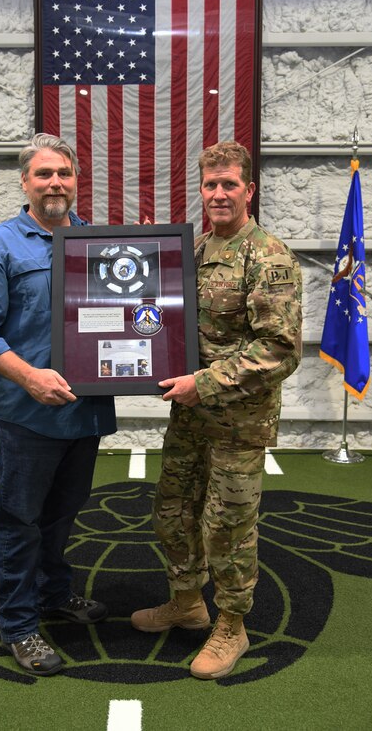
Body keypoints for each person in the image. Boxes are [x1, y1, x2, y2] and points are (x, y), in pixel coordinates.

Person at [131, 140, 302, 680]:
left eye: (230, 183)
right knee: (173, 512)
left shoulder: (268, 256)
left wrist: (204, 382)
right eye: (211, 184)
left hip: (239, 421)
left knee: (227, 527)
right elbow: (159, 317)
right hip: (190, 416)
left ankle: (232, 624)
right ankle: (186, 602)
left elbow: (280, 348)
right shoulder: (194, 250)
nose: (220, 193)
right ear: (201, 191)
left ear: (249, 190)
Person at [0, 133, 116, 676]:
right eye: (43, 174)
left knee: (62, 516)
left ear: (75, 181)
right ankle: (20, 624)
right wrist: (28, 377)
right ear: (25, 182)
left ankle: (54, 593)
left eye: (63, 174)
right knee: (19, 521)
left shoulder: (98, 244)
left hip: (83, 411)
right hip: (24, 414)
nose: (54, 183)